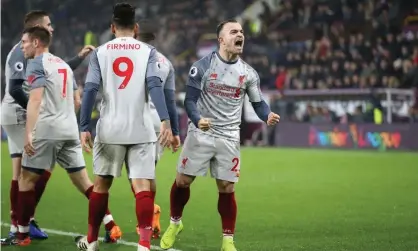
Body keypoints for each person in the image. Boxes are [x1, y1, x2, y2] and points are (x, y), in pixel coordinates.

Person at [159, 19, 280, 251]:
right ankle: (175, 223)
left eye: (242, 32)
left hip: (229, 136)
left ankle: (227, 240)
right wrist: (197, 120)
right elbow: (190, 100)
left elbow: (258, 103)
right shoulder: (202, 67)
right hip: (201, 133)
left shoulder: (248, 73)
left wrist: (267, 115)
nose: (240, 35)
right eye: (234, 31)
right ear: (221, 39)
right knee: (183, 181)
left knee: (226, 187)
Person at [0, 26, 121, 247]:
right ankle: (111, 224)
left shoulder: (37, 64)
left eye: (25, 42)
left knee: (25, 180)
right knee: (85, 182)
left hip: (47, 130)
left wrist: (29, 133)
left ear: (37, 42)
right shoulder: (63, 65)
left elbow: (35, 100)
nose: (22, 46)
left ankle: (23, 234)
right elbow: (77, 100)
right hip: (69, 130)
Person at [75, 3, 174, 251]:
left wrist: (84, 125)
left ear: (112, 27)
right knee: (142, 187)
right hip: (141, 129)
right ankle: (143, 246)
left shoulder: (100, 52)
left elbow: (90, 90)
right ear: (136, 27)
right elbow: (154, 84)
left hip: (110, 129)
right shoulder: (148, 51)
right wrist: (165, 119)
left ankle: (92, 242)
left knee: (101, 185)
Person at [133, 19, 181, 239]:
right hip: (159, 123)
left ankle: (147, 216)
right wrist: (176, 131)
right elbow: (170, 101)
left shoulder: (131, 55)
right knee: (146, 171)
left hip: (136, 120)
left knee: (137, 174)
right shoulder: (166, 62)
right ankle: (151, 213)